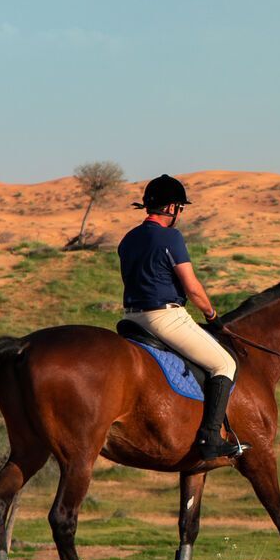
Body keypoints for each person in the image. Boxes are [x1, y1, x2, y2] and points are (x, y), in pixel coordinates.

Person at [119, 175, 242, 460]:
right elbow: (191, 287)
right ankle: (211, 438)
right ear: (172, 208)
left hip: (131, 319)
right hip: (165, 318)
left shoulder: (128, 239)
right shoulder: (170, 237)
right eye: (180, 208)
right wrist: (212, 316)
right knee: (224, 363)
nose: (179, 214)